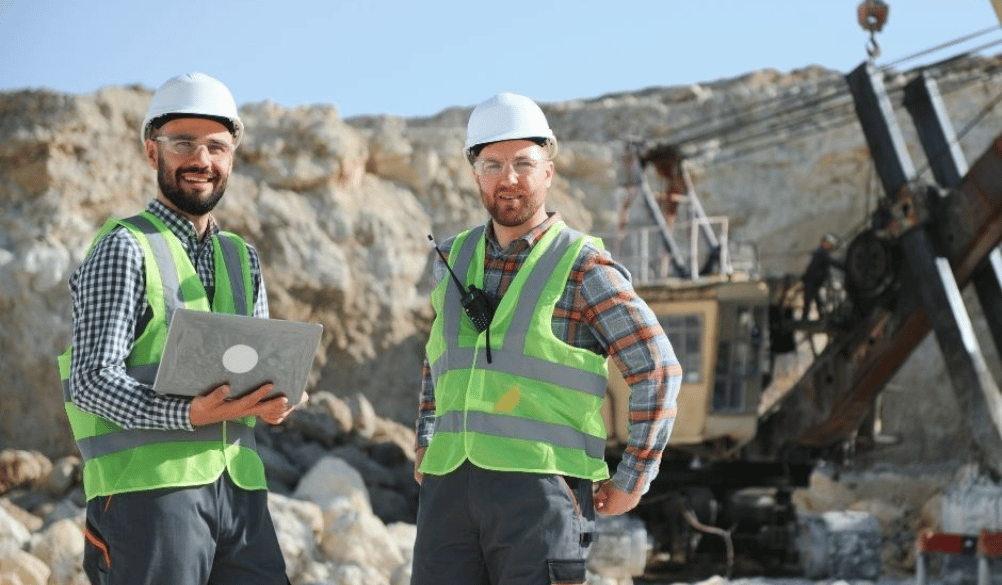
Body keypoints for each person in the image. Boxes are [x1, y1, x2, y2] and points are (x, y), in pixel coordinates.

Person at [412, 92, 683, 585]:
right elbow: (438, 360)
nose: (509, 178)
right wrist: (425, 439)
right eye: (493, 165)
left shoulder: (583, 266)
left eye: (523, 163)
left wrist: (634, 477)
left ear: (548, 172)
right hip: (448, 492)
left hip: (543, 493)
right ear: (476, 175)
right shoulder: (451, 259)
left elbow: (658, 369)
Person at [58, 72, 299, 585]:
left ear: (232, 157)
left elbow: (256, 370)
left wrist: (275, 399)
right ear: (153, 152)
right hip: (148, 495)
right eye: (183, 144)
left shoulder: (242, 258)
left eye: (216, 146)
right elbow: (90, 380)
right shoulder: (123, 247)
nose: (201, 160)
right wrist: (187, 413)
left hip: (240, 491)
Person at [801, 233, 845, 321]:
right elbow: (832, 262)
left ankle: (818, 317)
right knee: (810, 299)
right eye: (829, 244)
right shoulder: (822, 252)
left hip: (814, 281)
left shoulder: (821, 252)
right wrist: (845, 266)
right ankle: (810, 318)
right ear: (824, 243)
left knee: (815, 299)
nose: (830, 246)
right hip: (812, 280)